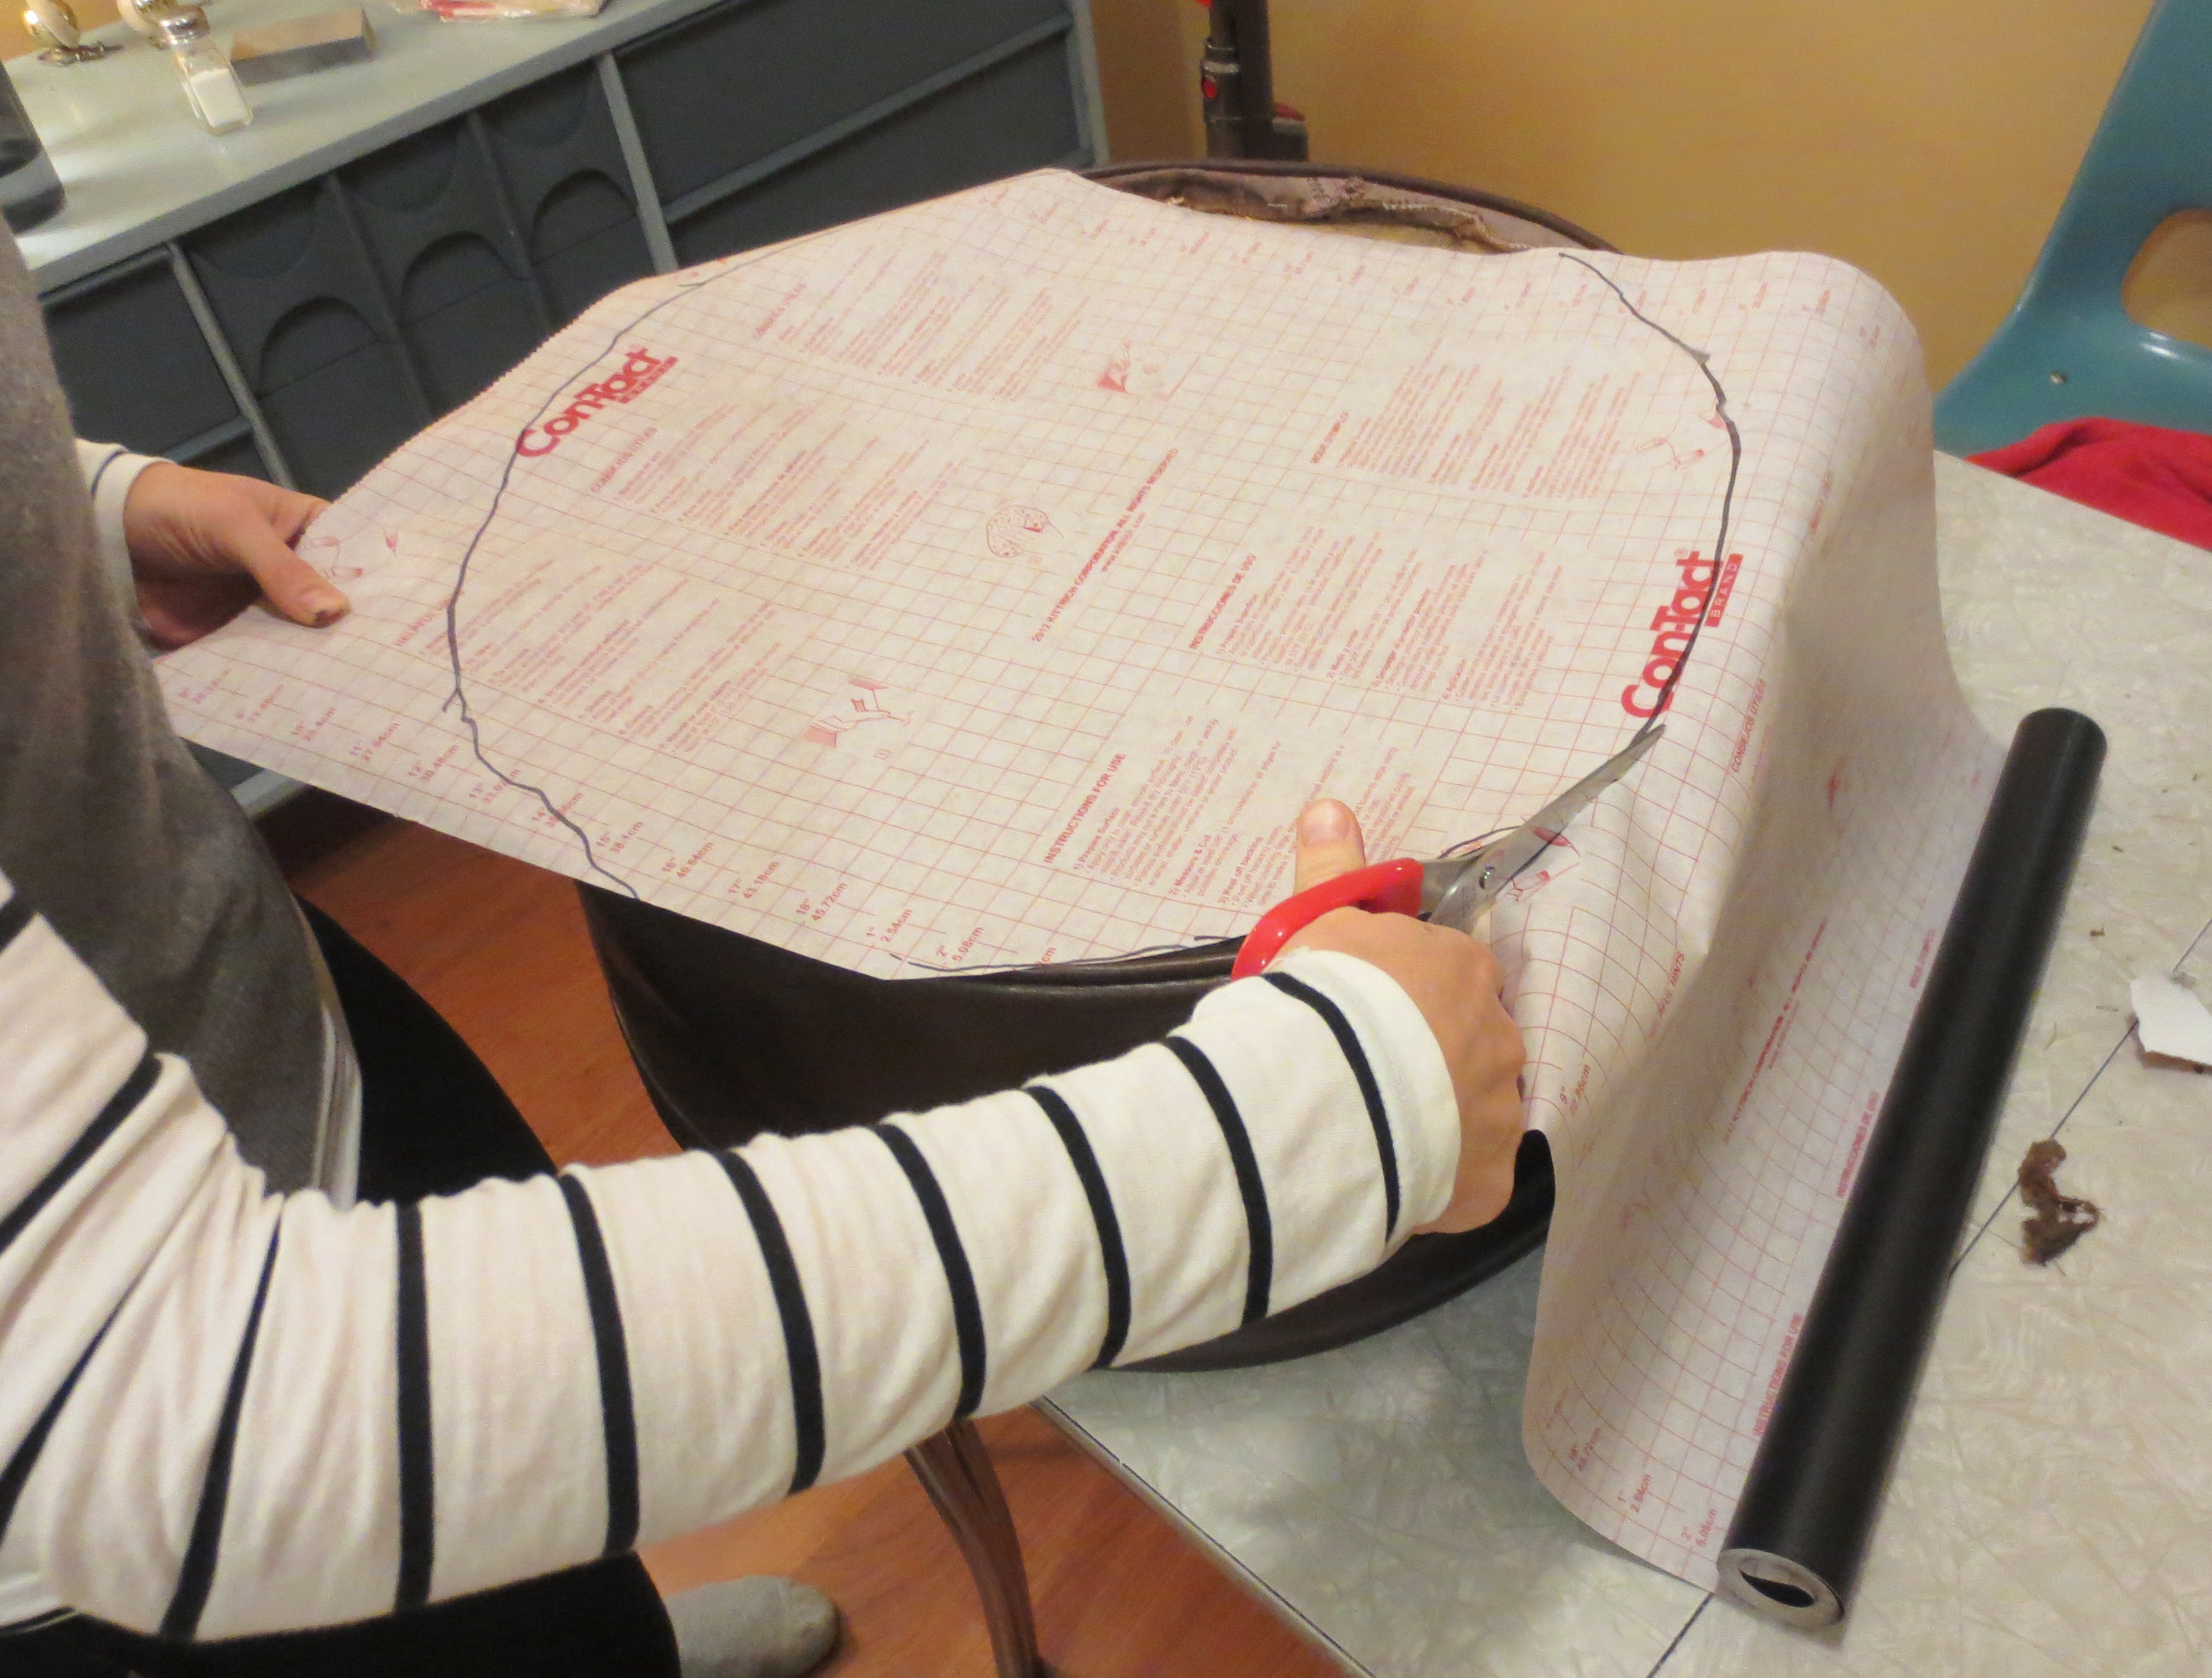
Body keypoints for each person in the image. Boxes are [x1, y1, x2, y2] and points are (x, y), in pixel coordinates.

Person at [0, 231, 1528, 1677]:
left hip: (241, 1010)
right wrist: (1314, 1122)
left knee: (551, 1592)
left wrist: (70, 510)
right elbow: (182, 1418)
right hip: (147, 1562)